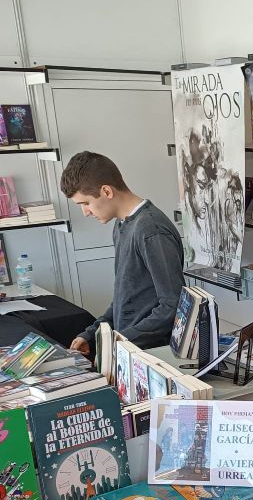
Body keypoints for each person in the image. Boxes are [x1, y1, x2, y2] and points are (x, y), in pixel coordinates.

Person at [61, 151, 184, 354]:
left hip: (152, 356)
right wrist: (92, 334)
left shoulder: (150, 230)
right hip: (129, 350)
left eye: (86, 203)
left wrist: (119, 341)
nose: (85, 212)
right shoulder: (121, 225)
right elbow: (125, 300)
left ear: (107, 191)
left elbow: (173, 306)